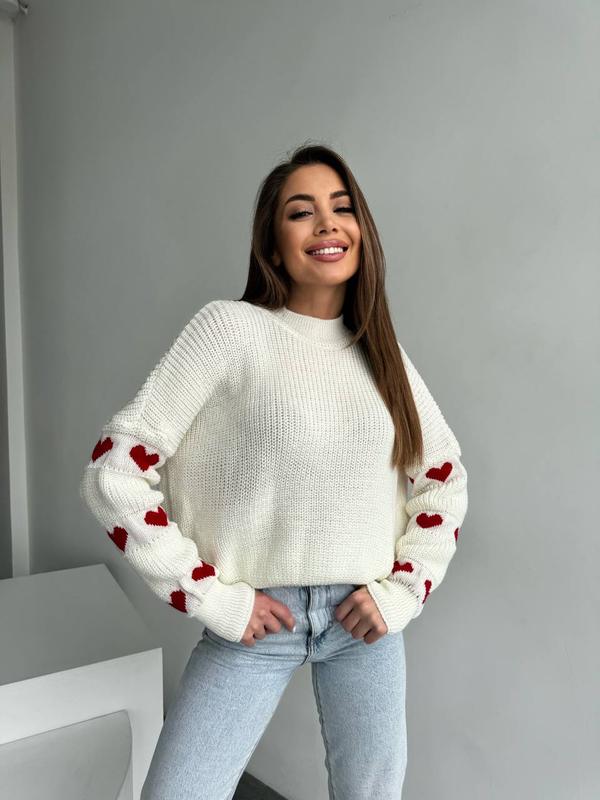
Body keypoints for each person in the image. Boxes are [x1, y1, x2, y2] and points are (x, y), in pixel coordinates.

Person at [79, 142, 469, 799]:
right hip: (258, 621)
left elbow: (444, 479)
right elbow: (113, 472)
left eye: (342, 207)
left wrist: (403, 592)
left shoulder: (380, 354)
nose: (327, 223)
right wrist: (209, 596)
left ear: (362, 230)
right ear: (273, 242)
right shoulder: (230, 331)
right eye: (301, 211)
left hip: (364, 623)